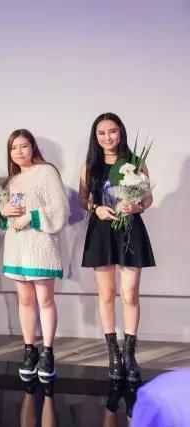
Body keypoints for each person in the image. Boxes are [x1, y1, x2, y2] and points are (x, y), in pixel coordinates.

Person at [78, 112, 155, 383]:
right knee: (107, 294)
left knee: (130, 293)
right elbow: (83, 198)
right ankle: (113, 352)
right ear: (95, 137)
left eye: (112, 131)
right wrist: (95, 208)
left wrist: (138, 206)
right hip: (101, 231)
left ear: (120, 132)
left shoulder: (136, 163)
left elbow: (148, 198)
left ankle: (129, 353)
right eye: (101, 133)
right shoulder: (90, 165)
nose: (107, 137)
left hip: (130, 230)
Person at [0, 129, 68, 381]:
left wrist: (31, 216)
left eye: (23, 146)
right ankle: (29, 350)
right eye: (13, 148)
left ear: (33, 147)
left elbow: (59, 209)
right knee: (25, 301)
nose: (18, 152)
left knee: (45, 300)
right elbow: (4, 223)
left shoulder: (46, 172)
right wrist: (3, 213)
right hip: (17, 248)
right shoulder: (12, 181)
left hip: (40, 246)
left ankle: (47, 352)